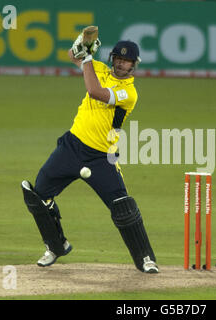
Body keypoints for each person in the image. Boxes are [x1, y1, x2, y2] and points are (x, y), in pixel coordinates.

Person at [20, 27, 158, 273]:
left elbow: (95, 92)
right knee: (38, 195)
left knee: (122, 207)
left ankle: (146, 258)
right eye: (117, 58)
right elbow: (72, 56)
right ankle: (56, 246)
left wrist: (87, 58)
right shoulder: (101, 69)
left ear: (133, 65)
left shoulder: (130, 93)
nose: (120, 64)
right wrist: (82, 45)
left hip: (101, 157)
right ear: (112, 58)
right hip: (71, 147)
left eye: (126, 61)